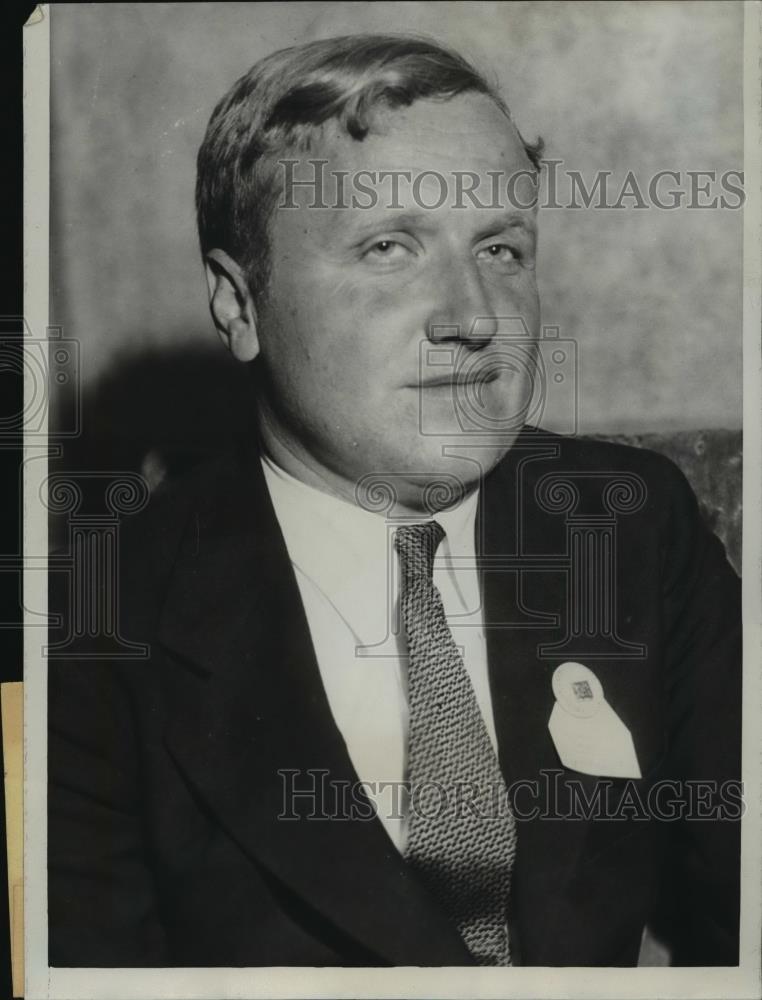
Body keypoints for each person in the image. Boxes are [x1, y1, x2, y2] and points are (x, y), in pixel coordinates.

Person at [48, 33, 741, 968]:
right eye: (388, 248)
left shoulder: (624, 526)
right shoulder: (97, 612)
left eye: (500, 248)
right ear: (239, 305)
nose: (473, 317)